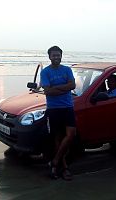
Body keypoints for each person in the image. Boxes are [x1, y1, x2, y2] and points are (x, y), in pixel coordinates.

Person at [40, 46, 76, 180]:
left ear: (61, 56)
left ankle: (55, 161)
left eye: (58, 55)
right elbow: (47, 92)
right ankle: (64, 167)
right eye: (53, 55)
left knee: (71, 134)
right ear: (49, 57)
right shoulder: (45, 72)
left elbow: (72, 86)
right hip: (53, 109)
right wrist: (64, 88)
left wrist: (54, 88)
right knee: (58, 138)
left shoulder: (67, 69)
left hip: (67, 107)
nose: (56, 57)